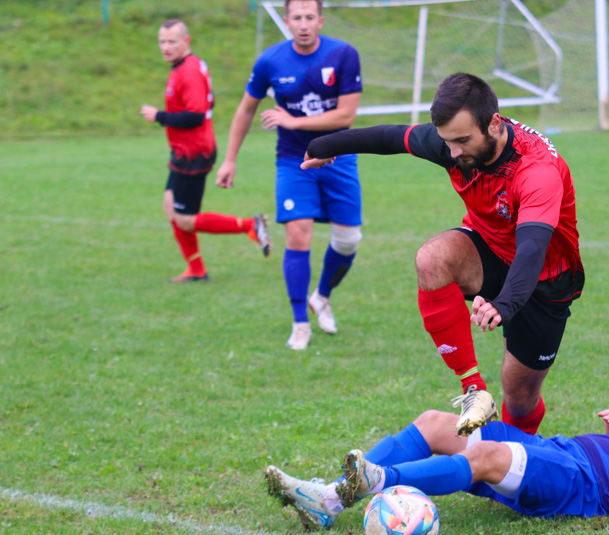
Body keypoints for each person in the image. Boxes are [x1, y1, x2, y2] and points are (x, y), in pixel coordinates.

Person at [302, 73, 584, 436]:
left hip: (545, 277)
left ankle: (516, 463)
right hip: (487, 250)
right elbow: (390, 137)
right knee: (432, 259)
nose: (453, 153)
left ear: (494, 124)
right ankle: (474, 390)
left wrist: (505, 304)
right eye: (447, 141)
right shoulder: (453, 143)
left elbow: (532, 248)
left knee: (520, 396)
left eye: (462, 141)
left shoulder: (536, 170)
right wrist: (325, 145)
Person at [264, 359, 609, 531]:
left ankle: (378, 482)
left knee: (482, 457)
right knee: (438, 424)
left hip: (583, 485)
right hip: (564, 449)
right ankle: (328, 499)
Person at [215, 0, 363, 350]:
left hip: (337, 157)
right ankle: (300, 322)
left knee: (348, 241)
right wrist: (229, 160)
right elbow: (245, 109)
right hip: (293, 161)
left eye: (310, 17)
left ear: (321, 20)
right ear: (286, 21)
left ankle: (322, 296)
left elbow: (345, 116)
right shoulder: (270, 60)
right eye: (296, 17)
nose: (303, 24)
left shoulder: (344, 54)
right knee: (298, 234)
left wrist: (294, 121)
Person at [141, 19, 270, 283]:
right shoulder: (185, 66)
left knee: (186, 219)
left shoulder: (187, 71)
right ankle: (196, 270)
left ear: (186, 41)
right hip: (184, 151)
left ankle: (250, 225)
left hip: (193, 153)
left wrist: (159, 116)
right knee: (170, 207)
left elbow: (195, 116)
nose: (165, 47)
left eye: (172, 41)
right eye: (162, 42)